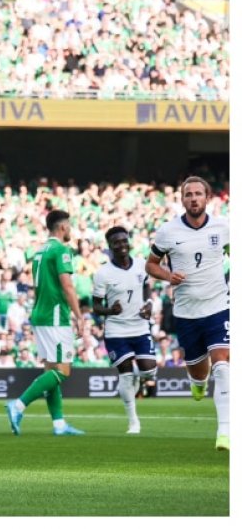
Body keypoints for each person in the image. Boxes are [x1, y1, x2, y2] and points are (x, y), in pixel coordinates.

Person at [146, 176, 229, 451]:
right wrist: (168, 275)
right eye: (188, 195)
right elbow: (151, 265)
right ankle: (198, 383)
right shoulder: (168, 232)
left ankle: (225, 433)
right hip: (186, 312)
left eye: (198, 194)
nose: (193, 199)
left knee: (223, 365)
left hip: (219, 306)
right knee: (199, 371)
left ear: (207, 197)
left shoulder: (224, 227)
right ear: (182, 200)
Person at [6, 210, 85, 436]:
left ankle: (59, 424)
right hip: (56, 316)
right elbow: (67, 286)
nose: (70, 229)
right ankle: (18, 405)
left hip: (40, 314)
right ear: (62, 227)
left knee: (51, 371)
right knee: (62, 371)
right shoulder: (61, 250)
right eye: (69, 225)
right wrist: (79, 317)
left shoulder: (39, 252)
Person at [92, 226, 157, 434]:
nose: (121, 245)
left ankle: (138, 377)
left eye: (124, 240)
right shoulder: (103, 273)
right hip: (116, 331)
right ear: (109, 247)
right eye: (116, 242)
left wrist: (148, 303)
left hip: (140, 327)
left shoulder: (140, 264)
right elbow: (95, 306)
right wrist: (110, 309)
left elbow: (146, 285)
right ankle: (133, 422)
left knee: (149, 371)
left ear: (128, 241)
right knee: (126, 376)